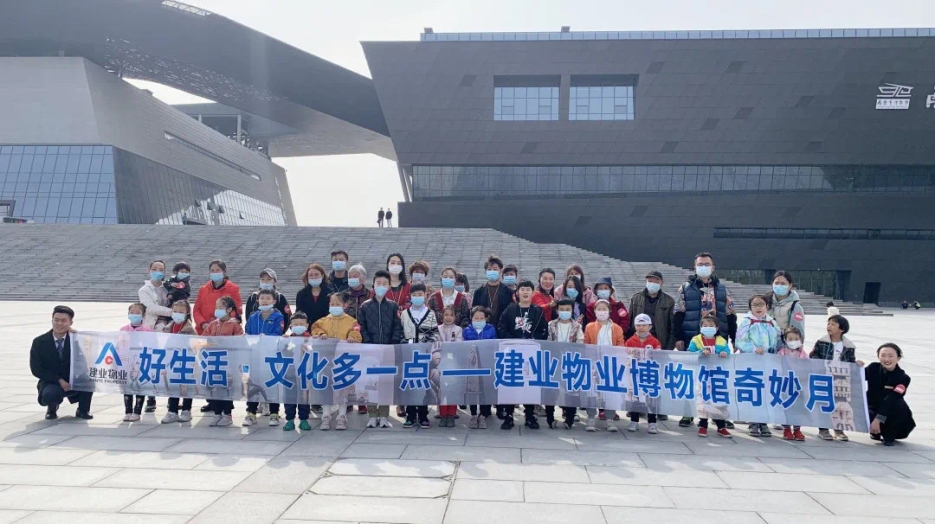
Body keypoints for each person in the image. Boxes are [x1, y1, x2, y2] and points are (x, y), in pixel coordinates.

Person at [673, 252, 737, 429]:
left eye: (706, 264)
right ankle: (688, 413)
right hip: (693, 339)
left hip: (718, 342)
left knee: (717, 380)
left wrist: (733, 338)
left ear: (713, 267)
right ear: (694, 267)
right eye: (700, 264)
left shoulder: (722, 289)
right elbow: (677, 313)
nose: (703, 267)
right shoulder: (685, 288)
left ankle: (719, 415)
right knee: (691, 378)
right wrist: (678, 337)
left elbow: (731, 315)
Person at [497, 280, 548, 430]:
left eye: (528, 289)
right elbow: (501, 328)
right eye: (522, 289)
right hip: (513, 354)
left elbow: (543, 330)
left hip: (531, 355)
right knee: (511, 384)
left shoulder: (537, 311)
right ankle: (509, 415)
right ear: (517, 293)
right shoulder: (510, 309)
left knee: (530, 385)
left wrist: (532, 341)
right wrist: (514, 341)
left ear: (533, 293)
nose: (525, 292)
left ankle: (530, 415)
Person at [357, 269, 404, 428]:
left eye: (384, 283)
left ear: (389, 286)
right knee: (371, 384)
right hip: (370, 350)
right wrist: (369, 344)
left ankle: (384, 415)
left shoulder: (392, 306)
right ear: (373, 285)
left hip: (387, 350)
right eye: (378, 283)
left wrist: (392, 344)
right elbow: (361, 327)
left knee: (385, 383)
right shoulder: (365, 306)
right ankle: (372, 415)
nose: (381, 286)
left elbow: (397, 327)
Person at [30, 305, 93, 420]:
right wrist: (59, 380)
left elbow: (86, 361)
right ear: (52, 320)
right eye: (56, 320)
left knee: (89, 380)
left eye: (63, 321)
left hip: (73, 380)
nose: (59, 324)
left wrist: (79, 337)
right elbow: (36, 369)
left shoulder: (77, 340)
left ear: (70, 322)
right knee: (50, 394)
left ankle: (83, 410)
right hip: (51, 381)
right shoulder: (39, 342)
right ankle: (52, 408)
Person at [311, 292, 363, 430]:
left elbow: (356, 332)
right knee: (326, 388)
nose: (334, 306)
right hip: (326, 361)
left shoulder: (351, 321)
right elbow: (315, 329)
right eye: (332, 304)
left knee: (342, 389)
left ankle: (342, 416)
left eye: (338, 304)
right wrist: (321, 334)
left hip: (342, 361)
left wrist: (352, 337)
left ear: (345, 305)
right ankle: (326, 416)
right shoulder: (322, 321)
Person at [735, 294, 781, 437]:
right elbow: (740, 341)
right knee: (754, 391)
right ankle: (753, 422)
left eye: (761, 304)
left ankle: (763, 422)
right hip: (751, 363)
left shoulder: (772, 322)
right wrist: (753, 349)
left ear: (767, 306)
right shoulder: (747, 322)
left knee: (766, 392)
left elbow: (779, 340)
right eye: (755, 305)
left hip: (768, 363)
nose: (758, 307)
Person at [810, 314, 857, 442]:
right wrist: (820, 364)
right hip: (824, 378)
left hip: (840, 380)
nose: (829, 326)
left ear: (841, 329)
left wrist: (857, 364)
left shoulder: (849, 346)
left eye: (833, 324)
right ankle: (823, 428)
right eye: (828, 324)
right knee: (824, 403)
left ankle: (838, 428)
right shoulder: (822, 342)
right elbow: (813, 355)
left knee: (840, 404)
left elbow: (851, 362)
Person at [243, 289, 285, 427]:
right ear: (258, 300)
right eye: (262, 298)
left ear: (274, 301)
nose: (265, 301)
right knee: (253, 384)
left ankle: (274, 413)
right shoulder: (253, 316)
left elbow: (278, 333)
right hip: (255, 355)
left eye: (268, 298)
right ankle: (251, 413)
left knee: (272, 383)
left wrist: (266, 338)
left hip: (270, 356)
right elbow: (248, 331)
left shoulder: (278, 316)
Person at [401, 282, 440, 428]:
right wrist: (408, 343)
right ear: (410, 296)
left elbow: (435, 333)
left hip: (424, 355)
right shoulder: (405, 314)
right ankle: (410, 414)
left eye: (420, 294)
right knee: (410, 384)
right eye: (414, 295)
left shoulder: (430, 314)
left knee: (424, 384)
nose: (417, 297)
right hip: (409, 356)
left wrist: (424, 344)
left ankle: (423, 414)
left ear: (425, 295)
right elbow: (400, 332)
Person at [584, 299, 626, 431]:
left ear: (609, 311)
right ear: (595, 311)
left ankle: (610, 419)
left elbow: (620, 346)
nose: (601, 312)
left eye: (604, 309)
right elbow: (586, 344)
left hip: (610, 365)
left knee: (610, 393)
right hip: (594, 364)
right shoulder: (589, 327)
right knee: (591, 391)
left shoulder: (617, 328)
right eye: (599, 309)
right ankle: (591, 417)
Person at [687, 315, 732, 438]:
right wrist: (700, 352)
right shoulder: (696, 340)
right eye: (705, 325)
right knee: (703, 400)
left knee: (719, 401)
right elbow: (690, 353)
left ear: (716, 328)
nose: (708, 328)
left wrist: (724, 352)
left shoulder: (721, 340)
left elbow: (728, 352)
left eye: (711, 325)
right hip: (702, 375)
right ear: (700, 327)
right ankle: (703, 425)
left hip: (717, 375)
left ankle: (721, 426)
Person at [203, 296, 244, 427]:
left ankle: (227, 414)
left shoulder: (235, 325)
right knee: (214, 388)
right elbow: (203, 339)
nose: (217, 310)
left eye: (220, 307)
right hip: (213, 361)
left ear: (229, 309)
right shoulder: (212, 324)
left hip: (228, 363)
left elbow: (239, 341)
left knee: (226, 388)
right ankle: (217, 413)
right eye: (216, 307)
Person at [137, 259, 171, 413]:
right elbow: (150, 308)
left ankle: (172, 398)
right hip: (151, 329)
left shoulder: (168, 287)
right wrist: (172, 312)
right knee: (150, 363)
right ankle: (151, 397)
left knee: (169, 362)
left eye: (161, 269)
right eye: (155, 269)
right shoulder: (144, 290)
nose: (158, 272)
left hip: (169, 328)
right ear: (149, 270)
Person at [866, 343, 915, 446]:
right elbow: (855, 377)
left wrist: (878, 419)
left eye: (891, 356)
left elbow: (891, 400)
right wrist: (857, 366)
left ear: (898, 358)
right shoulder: (873, 368)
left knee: (898, 403)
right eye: (883, 355)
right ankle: (876, 431)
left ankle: (889, 435)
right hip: (873, 408)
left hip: (895, 417)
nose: (886, 359)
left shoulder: (903, 378)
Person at [547, 298, 584, 429]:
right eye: (562, 309)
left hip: (571, 362)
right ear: (557, 310)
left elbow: (580, 342)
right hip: (554, 362)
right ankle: (550, 418)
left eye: (567, 309)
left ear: (572, 310)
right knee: (551, 390)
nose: (564, 312)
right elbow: (548, 341)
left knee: (571, 391)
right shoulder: (551, 324)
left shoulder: (577, 326)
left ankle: (569, 419)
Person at [624, 314, 662, 434]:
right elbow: (625, 356)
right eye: (638, 325)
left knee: (651, 399)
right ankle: (634, 421)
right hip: (635, 375)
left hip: (649, 375)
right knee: (635, 398)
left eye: (644, 325)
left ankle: (652, 422)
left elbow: (659, 357)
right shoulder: (630, 341)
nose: (641, 328)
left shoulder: (654, 342)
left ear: (649, 327)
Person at [161, 300, 195, 424]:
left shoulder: (189, 329)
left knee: (186, 386)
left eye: (181, 312)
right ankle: (172, 411)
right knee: (173, 386)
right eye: (175, 311)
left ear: (187, 313)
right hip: (171, 361)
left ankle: (186, 410)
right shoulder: (168, 328)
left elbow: (195, 346)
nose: (177, 314)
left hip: (185, 361)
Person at [463, 305, 496, 429]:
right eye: (476, 318)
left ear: (486, 318)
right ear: (471, 318)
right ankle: (473, 414)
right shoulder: (467, 330)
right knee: (472, 390)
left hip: (486, 364)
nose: (478, 320)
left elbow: (494, 344)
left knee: (484, 390)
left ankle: (482, 415)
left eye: (481, 318)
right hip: (471, 365)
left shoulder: (491, 329)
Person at [627, 271, 676, 350]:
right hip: (638, 342)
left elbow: (672, 326)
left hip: (660, 342)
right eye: (650, 281)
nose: (653, 284)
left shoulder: (669, 301)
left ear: (662, 283)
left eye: (656, 282)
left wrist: (669, 347)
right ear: (645, 281)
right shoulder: (636, 299)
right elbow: (629, 321)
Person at [120, 303, 152, 422]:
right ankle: (127, 411)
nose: (134, 315)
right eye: (132, 312)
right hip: (126, 363)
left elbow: (150, 346)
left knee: (139, 387)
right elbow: (119, 346)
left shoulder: (147, 330)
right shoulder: (123, 330)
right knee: (127, 387)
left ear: (143, 315)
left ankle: (137, 411)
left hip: (140, 362)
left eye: (137, 313)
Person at [193, 260, 242, 335]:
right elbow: (196, 310)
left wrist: (222, 322)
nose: (215, 272)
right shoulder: (203, 290)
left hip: (225, 331)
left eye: (217, 270)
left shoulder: (233, 289)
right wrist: (202, 323)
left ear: (224, 271)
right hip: (204, 330)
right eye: (212, 270)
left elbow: (237, 309)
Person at [283, 312, 313, 431]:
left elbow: (313, 352)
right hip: (290, 373)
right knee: (289, 397)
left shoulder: (311, 339)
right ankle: (290, 420)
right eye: (295, 324)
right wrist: (284, 342)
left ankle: (303, 419)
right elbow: (283, 352)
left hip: (305, 373)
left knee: (304, 397)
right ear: (291, 326)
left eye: (301, 324)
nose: (298, 326)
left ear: (307, 325)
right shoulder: (288, 339)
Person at [778, 327, 807, 441]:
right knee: (786, 406)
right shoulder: (782, 352)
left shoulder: (803, 354)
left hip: (798, 385)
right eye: (790, 339)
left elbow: (808, 367)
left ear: (800, 339)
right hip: (785, 384)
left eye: (796, 339)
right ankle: (786, 429)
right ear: (785, 340)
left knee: (798, 407)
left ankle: (797, 429)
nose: (793, 341)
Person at [473, 255, 515, 331]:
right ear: (486, 271)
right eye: (489, 269)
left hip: (502, 330)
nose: (492, 271)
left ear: (500, 271)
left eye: (495, 269)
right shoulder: (479, 292)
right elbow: (474, 312)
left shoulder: (509, 292)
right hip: (483, 330)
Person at [768, 270, 806, 348]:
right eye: (776, 283)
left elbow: (798, 331)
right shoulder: (765, 302)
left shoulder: (795, 306)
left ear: (790, 285)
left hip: (783, 348)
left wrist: (795, 347)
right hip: (765, 347)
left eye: (783, 284)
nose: (779, 286)